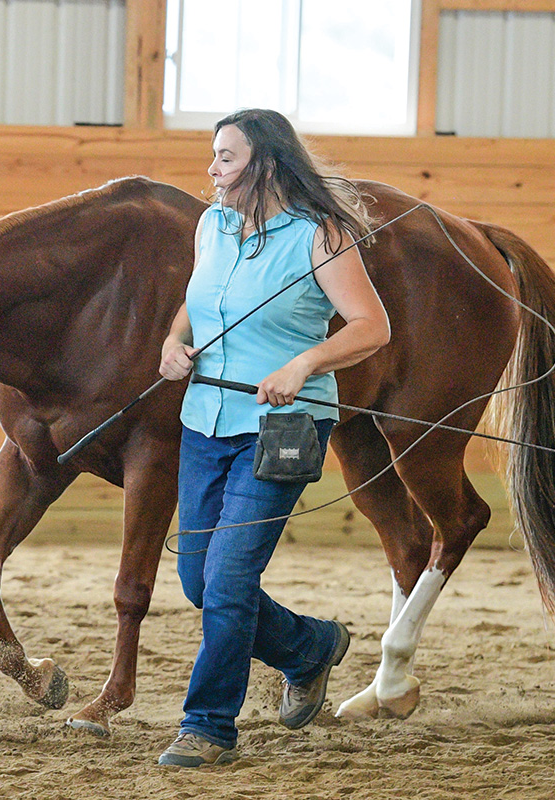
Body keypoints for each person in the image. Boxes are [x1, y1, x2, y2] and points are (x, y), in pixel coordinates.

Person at [157, 108, 391, 767]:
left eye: (226, 158)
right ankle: (308, 647)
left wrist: (304, 364)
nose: (212, 170)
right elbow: (198, 303)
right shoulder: (212, 225)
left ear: (265, 162)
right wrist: (176, 344)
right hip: (205, 420)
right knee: (199, 581)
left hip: (289, 427)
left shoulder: (321, 234)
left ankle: (208, 727)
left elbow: (371, 326)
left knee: (229, 581)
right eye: (214, 156)